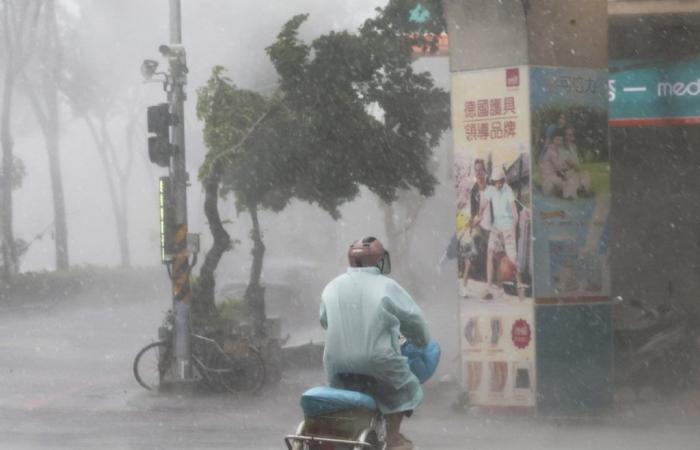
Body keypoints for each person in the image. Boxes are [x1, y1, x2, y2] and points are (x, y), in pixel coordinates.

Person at [320, 237, 430, 450]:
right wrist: (421, 340)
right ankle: (394, 437)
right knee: (404, 387)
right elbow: (414, 320)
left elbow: (324, 321)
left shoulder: (331, 286)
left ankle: (350, 434)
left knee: (346, 396)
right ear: (379, 260)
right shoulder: (387, 286)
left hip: (336, 363)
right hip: (377, 361)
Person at [479, 167, 524, 300]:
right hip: (496, 227)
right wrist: (479, 213)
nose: (498, 184)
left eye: (500, 182)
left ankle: (520, 287)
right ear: (493, 182)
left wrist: (513, 227)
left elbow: (514, 211)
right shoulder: (491, 191)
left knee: (512, 258)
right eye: (496, 182)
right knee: (490, 253)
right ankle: (489, 289)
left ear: (504, 180)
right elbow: (483, 204)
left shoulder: (508, 190)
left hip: (508, 227)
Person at [458, 158, 489, 297]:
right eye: (476, 170)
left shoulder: (489, 187)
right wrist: (472, 223)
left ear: (485, 171)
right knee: (471, 251)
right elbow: (473, 210)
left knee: (485, 254)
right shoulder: (474, 188)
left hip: (488, 225)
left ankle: (488, 288)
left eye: (480, 169)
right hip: (474, 224)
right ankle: (463, 285)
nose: (478, 172)